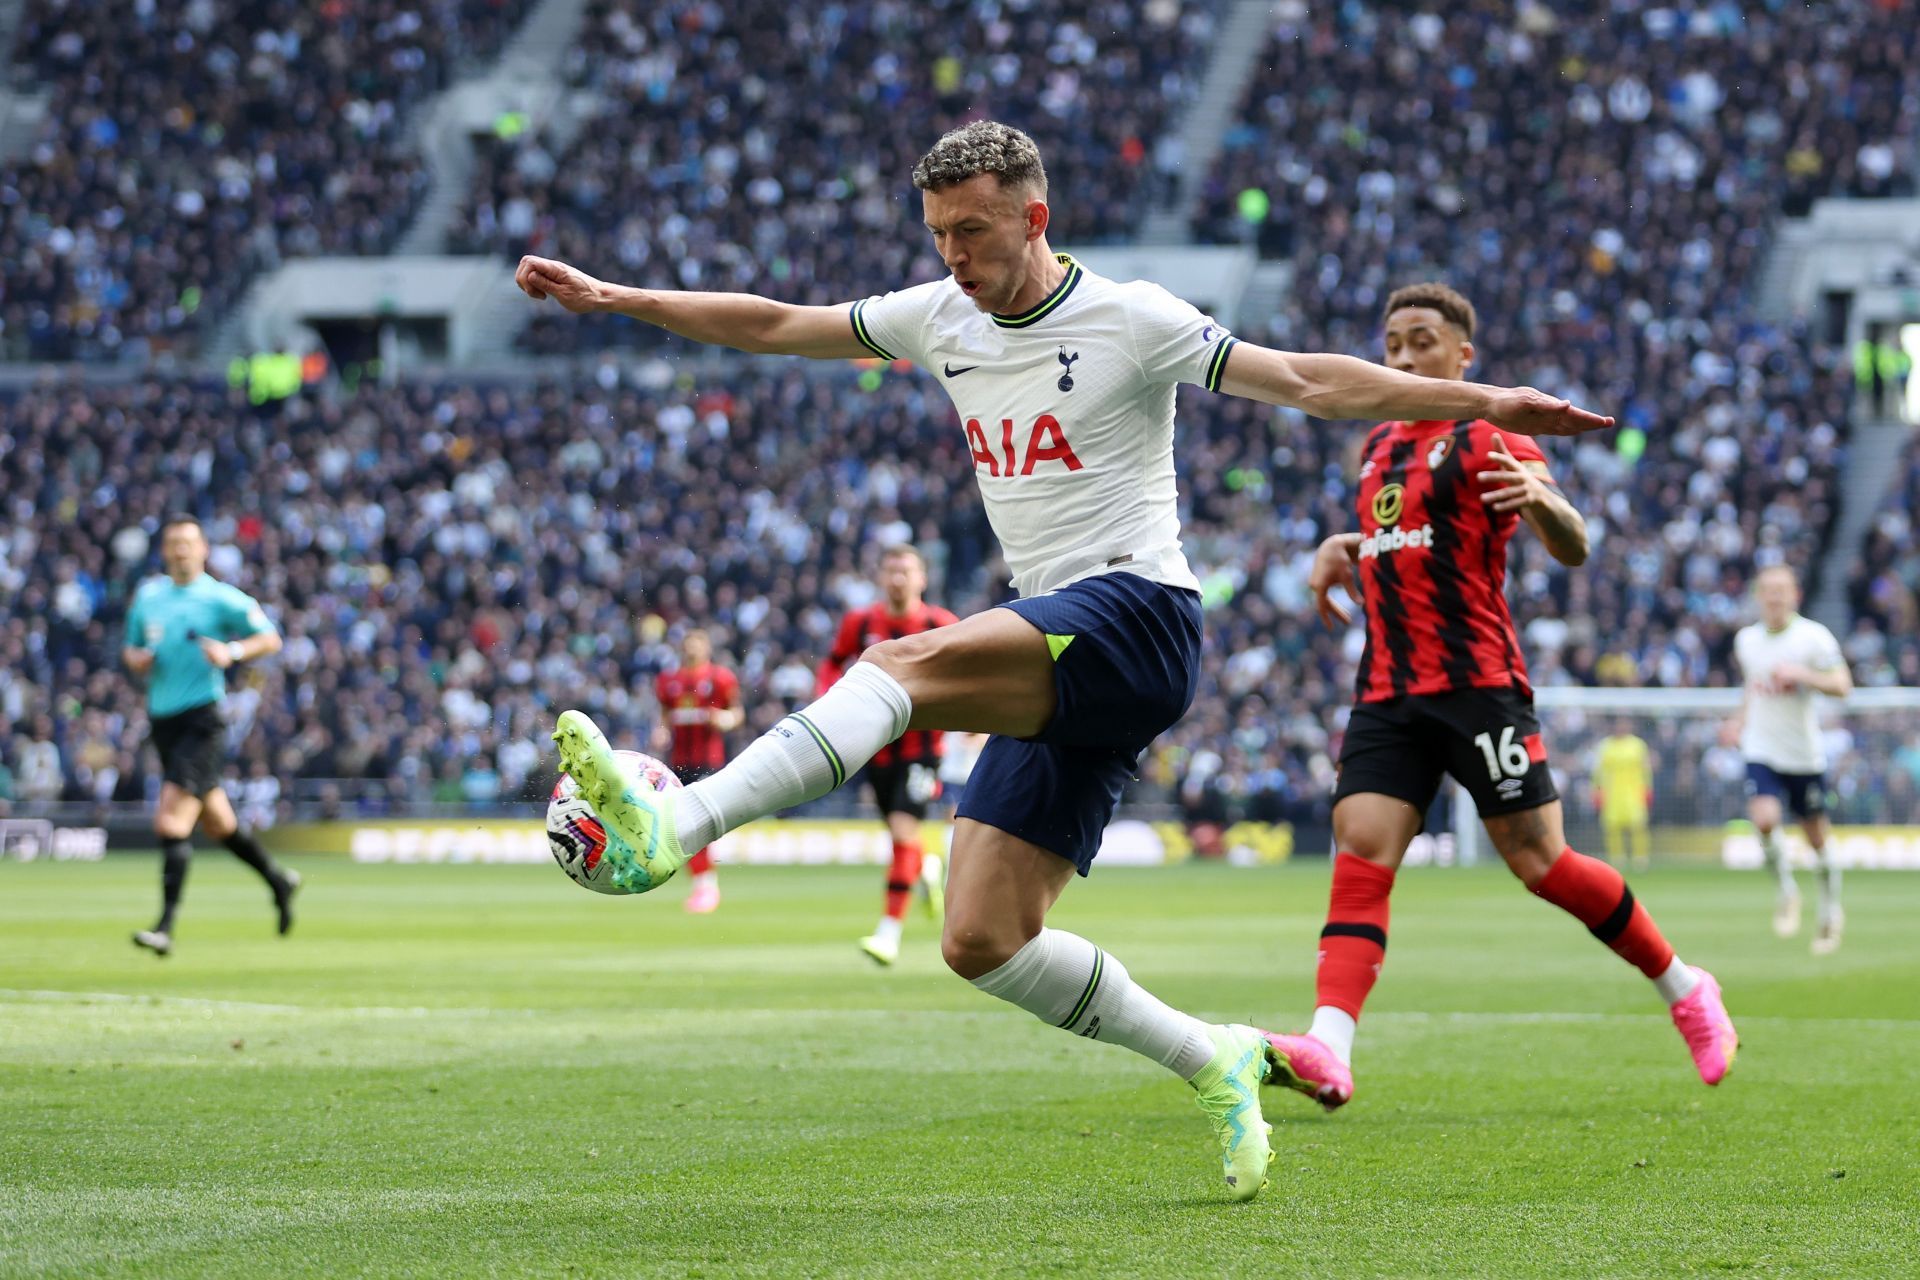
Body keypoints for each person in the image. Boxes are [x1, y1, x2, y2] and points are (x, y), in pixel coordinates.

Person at [521, 122, 1611, 1200]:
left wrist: (1491, 402)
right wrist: (620, 299)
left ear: (1034, 218)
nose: (955, 256)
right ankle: (1212, 1052)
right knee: (982, 936)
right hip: (1059, 635)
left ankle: (681, 823)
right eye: (941, 233)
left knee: (903, 659)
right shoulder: (939, 316)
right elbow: (774, 322)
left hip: (1140, 609)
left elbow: (1313, 383)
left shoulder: (1131, 318)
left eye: (975, 231)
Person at [1263, 284, 1737, 1114]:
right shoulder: (1377, 444)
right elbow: (1404, 533)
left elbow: (1574, 544)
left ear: (1463, 356)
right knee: (1362, 852)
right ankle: (1329, 1046)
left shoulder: (1489, 432)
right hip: (1387, 689)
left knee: (1541, 864)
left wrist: (1550, 505)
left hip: (1477, 684)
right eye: (1394, 343)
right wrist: (1346, 546)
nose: (1405, 357)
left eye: (1422, 341)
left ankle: (1688, 987)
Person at [121, 515, 298, 956]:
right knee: (219, 823)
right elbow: (130, 646)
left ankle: (164, 927)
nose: (181, 550)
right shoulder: (149, 596)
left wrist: (232, 651)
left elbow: (270, 639)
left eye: (188, 542)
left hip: (203, 720)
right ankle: (279, 880)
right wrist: (137, 659)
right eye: (173, 543)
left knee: (170, 822)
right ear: (164, 551)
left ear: (203, 550)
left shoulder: (220, 598)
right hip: (163, 722)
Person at [816, 545, 960, 965]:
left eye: (906, 571)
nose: (898, 578)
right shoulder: (860, 622)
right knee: (904, 837)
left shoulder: (940, 624)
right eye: (891, 570)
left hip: (923, 748)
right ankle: (926, 866)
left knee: (900, 832)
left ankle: (888, 932)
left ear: (922, 579)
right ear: (881, 577)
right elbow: (832, 664)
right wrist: (830, 699)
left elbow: (966, 672)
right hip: (874, 748)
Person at [1733, 564, 1853, 953]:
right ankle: (1787, 892)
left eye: (1781, 590)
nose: (1774, 597)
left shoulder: (1813, 638)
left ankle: (1830, 913)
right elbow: (1753, 687)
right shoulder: (1746, 640)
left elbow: (1842, 685)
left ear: (1795, 595)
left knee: (1817, 838)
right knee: (1765, 819)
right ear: (1758, 596)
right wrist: (1738, 720)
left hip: (1803, 754)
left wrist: (1804, 675)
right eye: (1767, 590)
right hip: (1761, 747)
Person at [652, 629, 743, 914]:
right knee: (684, 822)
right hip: (678, 762)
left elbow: (736, 713)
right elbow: (665, 717)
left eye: (698, 643)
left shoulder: (720, 678)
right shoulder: (670, 681)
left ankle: (706, 885)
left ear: (706, 647)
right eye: (688, 643)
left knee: (696, 821)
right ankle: (703, 883)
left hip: (709, 761)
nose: (692, 648)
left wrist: (725, 720)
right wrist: (661, 733)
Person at [1594, 719, 1654, 871]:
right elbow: (1598, 771)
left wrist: (1647, 789)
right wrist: (1597, 789)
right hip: (1612, 792)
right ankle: (1617, 859)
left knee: (1638, 825)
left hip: (1633, 792)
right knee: (1612, 827)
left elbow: (1646, 769)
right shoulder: (1605, 746)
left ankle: (1640, 859)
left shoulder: (1638, 745)